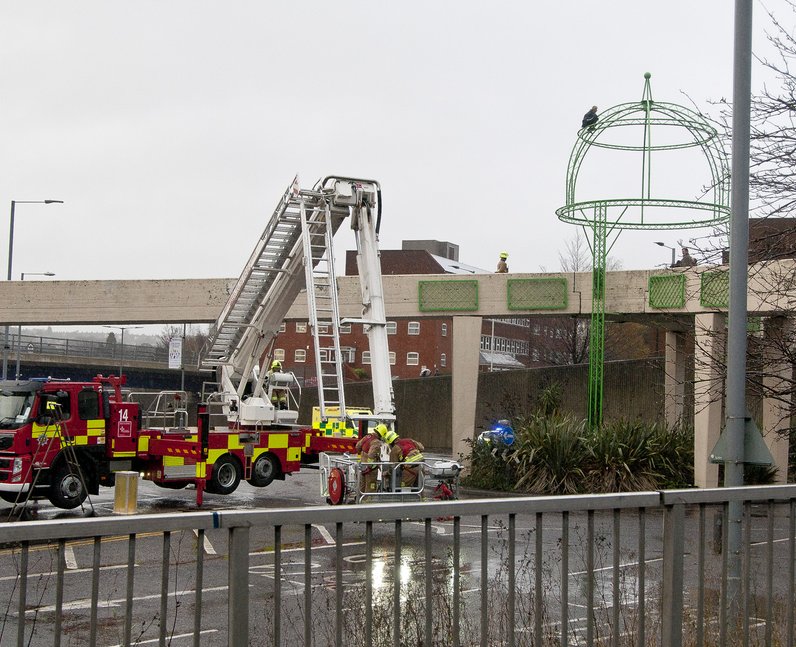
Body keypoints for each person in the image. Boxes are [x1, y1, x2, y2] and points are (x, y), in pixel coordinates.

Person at [355, 423, 385, 492]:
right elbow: (371, 455)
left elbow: (357, 446)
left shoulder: (367, 437)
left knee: (362, 485)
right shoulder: (376, 442)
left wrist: (362, 455)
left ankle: (359, 500)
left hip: (363, 466)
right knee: (371, 486)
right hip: (370, 470)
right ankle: (368, 501)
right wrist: (371, 466)